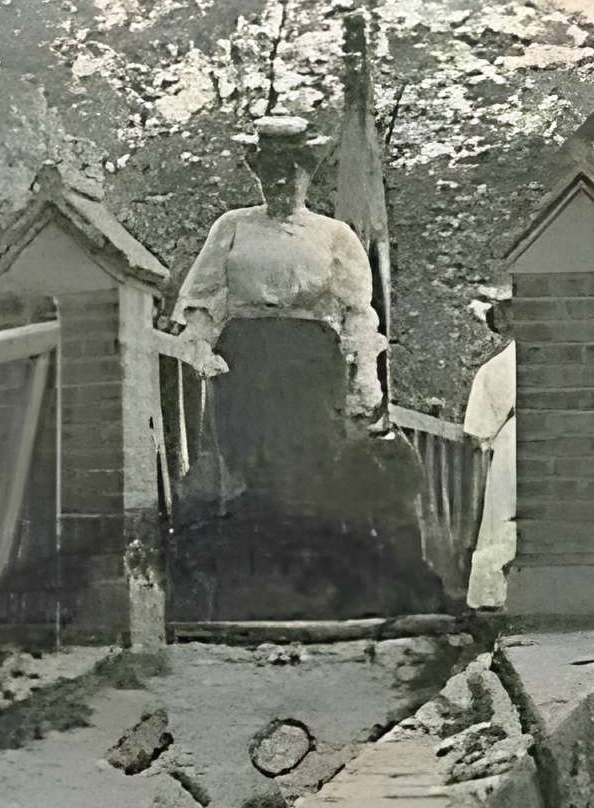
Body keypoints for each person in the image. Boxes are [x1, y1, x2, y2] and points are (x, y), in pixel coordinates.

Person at [166, 115, 417, 614]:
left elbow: (357, 313)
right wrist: (200, 344)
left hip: (308, 359)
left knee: (309, 466)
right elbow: (200, 297)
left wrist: (365, 373)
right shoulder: (233, 227)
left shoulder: (333, 235)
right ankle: (250, 593)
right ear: (257, 174)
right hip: (246, 356)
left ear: (307, 174)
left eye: (290, 170)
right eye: (269, 171)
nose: (279, 181)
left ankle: (310, 593)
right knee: (248, 465)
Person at [462, 286, 519, 609]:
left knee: (504, 515)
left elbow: (478, 429)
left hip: (511, 444)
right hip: (532, 439)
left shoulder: (494, 369)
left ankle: (494, 595)